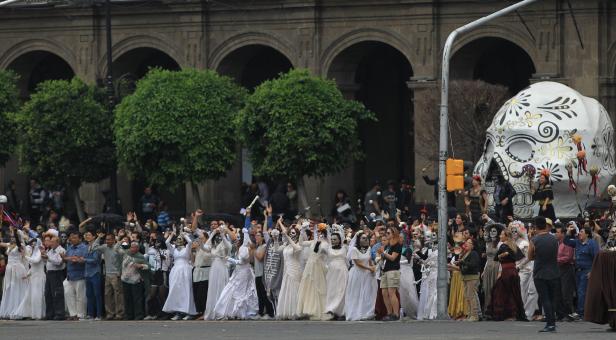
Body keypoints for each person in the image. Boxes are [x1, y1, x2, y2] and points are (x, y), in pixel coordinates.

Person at [213, 228, 259, 319]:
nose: (237, 240)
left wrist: (229, 259)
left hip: (243, 272)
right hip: (240, 271)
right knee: (236, 290)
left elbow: (242, 261)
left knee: (240, 291)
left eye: (238, 238)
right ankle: (235, 311)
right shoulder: (242, 247)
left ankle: (239, 312)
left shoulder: (244, 248)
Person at [528, 216, 560, 333]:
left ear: (536, 226)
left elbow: (530, 257)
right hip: (554, 272)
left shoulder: (534, 240)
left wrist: (537, 256)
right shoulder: (554, 239)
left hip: (540, 273)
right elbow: (556, 253)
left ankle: (550, 324)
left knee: (545, 298)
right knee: (552, 299)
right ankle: (553, 323)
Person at [487, 229, 526, 321]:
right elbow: (521, 257)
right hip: (513, 271)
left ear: (506, 236)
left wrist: (501, 256)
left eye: (501, 234)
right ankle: (513, 314)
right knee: (513, 292)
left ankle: (505, 314)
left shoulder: (504, 246)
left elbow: (497, 258)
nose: (500, 236)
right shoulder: (513, 245)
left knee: (499, 292)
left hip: (506, 271)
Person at [563, 224, 600, 318]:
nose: (579, 233)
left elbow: (596, 258)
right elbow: (566, 241)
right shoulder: (578, 242)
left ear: (587, 234)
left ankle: (581, 313)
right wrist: (568, 232)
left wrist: (592, 271)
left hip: (586, 271)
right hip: (578, 271)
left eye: (582, 232)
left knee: (581, 292)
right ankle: (582, 312)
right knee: (580, 292)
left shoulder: (592, 244)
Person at [296, 223, 328, 320]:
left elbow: (323, 252)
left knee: (318, 287)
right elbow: (301, 243)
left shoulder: (325, 244)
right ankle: (307, 309)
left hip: (318, 266)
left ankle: (317, 310)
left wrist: (320, 243)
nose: (318, 234)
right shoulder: (312, 241)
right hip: (310, 265)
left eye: (320, 232)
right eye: (318, 232)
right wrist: (301, 232)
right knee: (308, 286)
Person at [162, 230, 196, 320]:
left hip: (185, 270)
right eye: (177, 239)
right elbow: (166, 242)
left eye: (180, 239)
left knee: (186, 290)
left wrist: (185, 235)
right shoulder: (174, 250)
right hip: (175, 271)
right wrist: (172, 235)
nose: (178, 240)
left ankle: (188, 312)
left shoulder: (187, 248)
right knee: (175, 290)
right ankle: (178, 312)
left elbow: (190, 242)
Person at [344, 231, 377, 321]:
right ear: (359, 240)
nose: (366, 240)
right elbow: (358, 263)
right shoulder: (354, 250)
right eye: (363, 238)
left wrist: (372, 267)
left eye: (366, 238)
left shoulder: (369, 249)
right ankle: (355, 312)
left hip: (367, 274)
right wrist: (369, 268)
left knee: (367, 293)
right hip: (357, 274)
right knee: (356, 293)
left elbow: (369, 260)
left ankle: (366, 312)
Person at [203, 224, 232, 320]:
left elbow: (230, 247)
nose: (217, 238)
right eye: (217, 237)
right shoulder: (213, 245)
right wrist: (212, 234)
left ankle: (222, 311)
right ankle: (212, 311)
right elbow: (205, 247)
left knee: (221, 287)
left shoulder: (224, 243)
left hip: (221, 267)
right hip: (214, 268)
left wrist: (223, 235)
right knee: (213, 288)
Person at [511, 222, 538, 321]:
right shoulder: (514, 243)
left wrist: (519, 265)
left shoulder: (524, 243)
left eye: (515, 231)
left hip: (528, 269)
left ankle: (527, 313)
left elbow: (528, 257)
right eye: (512, 231)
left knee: (528, 291)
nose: (513, 233)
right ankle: (523, 313)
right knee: (522, 291)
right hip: (521, 270)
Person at [276, 223, 302, 320]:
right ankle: (286, 310)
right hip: (287, 269)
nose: (291, 234)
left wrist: (287, 237)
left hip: (295, 268)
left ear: (298, 234)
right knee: (286, 288)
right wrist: (275, 239)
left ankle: (295, 311)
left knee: (294, 288)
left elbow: (298, 249)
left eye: (293, 233)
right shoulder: (286, 245)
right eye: (290, 233)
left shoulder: (299, 244)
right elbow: (277, 250)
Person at [15, 238, 46, 320]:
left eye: (35, 243)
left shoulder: (40, 252)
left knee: (37, 295)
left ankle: (39, 314)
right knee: (31, 295)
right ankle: (32, 314)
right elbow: (33, 267)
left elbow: (36, 261)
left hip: (39, 277)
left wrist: (25, 256)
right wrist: (27, 274)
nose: (33, 244)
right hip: (33, 277)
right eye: (32, 243)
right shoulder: (34, 253)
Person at [0, 230, 27, 319]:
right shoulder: (9, 245)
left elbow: (25, 256)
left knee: (16, 287)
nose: (11, 238)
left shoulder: (21, 246)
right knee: (9, 287)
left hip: (17, 268)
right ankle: (9, 309)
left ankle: (18, 310)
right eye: (11, 237)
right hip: (9, 269)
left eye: (13, 237)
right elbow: (1, 243)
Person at [377, 226, 402, 321]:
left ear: (393, 234)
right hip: (385, 270)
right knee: (384, 293)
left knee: (392, 293)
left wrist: (383, 253)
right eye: (386, 233)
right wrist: (381, 255)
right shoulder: (388, 246)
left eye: (388, 233)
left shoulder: (397, 245)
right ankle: (389, 313)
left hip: (393, 270)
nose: (386, 235)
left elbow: (393, 258)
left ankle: (396, 314)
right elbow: (385, 258)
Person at [324, 225, 348, 320]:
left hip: (342, 271)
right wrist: (327, 229)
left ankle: (342, 312)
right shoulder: (328, 248)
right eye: (332, 239)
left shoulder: (344, 248)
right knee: (332, 291)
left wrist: (339, 228)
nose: (333, 241)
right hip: (331, 272)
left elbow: (343, 235)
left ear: (339, 240)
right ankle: (332, 310)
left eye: (335, 239)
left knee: (341, 291)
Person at [120, 241, 149, 320]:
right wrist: (120, 240)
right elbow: (116, 248)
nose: (132, 249)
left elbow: (148, 266)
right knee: (127, 298)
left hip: (136, 281)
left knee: (137, 299)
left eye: (133, 247)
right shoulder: (126, 254)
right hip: (125, 280)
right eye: (131, 247)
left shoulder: (140, 256)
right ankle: (129, 315)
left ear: (137, 248)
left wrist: (141, 265)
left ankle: (138, 315)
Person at [63, 231, 87, 320]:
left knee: (80, 296)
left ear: (80, 239)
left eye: (74, 238)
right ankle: (73, 314)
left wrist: (69, 258)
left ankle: (80, 315)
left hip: (80, 274)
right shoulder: (69, 248)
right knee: (68, 294)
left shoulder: (84, 248)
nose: (72, 239)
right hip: (70, 275)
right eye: (71, 238)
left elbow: (80, 259)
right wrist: (65, 258)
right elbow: (66, 258)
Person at [42, 234, 66, 320]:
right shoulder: (50, 251)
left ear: (57, 242)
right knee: (48, 294)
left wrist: (48, 258)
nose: (51, 243)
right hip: (49, 274)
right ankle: (50, 314)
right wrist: (44, 258)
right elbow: (47, 263)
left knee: (57, 294)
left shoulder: (61, 250)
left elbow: (59, 262)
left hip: (56, 274)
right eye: (50, 242)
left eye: (52, 242)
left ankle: (59, 314)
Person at [100, 233, 124, 320]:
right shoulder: (104, 247)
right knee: (107, 295)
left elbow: (122, 260)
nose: (108, 241)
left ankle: (119, 313)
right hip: (107, 274)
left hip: (116, 274)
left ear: (114, 240)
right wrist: (99, 238)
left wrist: (120, 272)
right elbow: (93, 248)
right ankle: (110, 313)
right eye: (106, 239)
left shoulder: (118, 248)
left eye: (109, 239)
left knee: (118, 295)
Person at [555, 224, 575, 321]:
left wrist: (556, 260)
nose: (556, 234)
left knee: (566, 292)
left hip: (566, 268)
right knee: (558, 292)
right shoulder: (557, 243)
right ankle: (560, 314)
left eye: (558, 232)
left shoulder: (567, 243)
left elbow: (568, 257)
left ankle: (569, 314)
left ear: (563, 233)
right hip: (558, 269)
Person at [254, 230, 274, 318]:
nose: (256, 237)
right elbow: (252, 260)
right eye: (256, 236)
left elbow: (260, 257)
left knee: (265, 294)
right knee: (259, 294)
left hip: (263, 274)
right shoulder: (257, 247)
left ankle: (270, 313)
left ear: (262, 237)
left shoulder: (265, 246)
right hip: (257, 274)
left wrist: (253, 249)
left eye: (258, 236)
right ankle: (261, 312)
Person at [84, 231, 104, 320]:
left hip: (95, 273)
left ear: (93, 237)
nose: (87, 236)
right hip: (87, 273)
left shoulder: (97, 247)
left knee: (97, 294)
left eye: (89, 235)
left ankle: (99, 314)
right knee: (89, 294)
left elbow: (96, 260)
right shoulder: (87, 247)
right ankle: (90, 313)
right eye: (86, 235)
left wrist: (84, 260)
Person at [459, 238, 481, 321]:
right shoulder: (465, 253)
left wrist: (463, 262)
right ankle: (469, 314)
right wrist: (460, 262)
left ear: (473, 245)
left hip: (472, 277)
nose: (467, 244)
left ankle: (475, 315)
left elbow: (473, 264)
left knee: (471, 296)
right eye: (466, 242)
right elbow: (463, 265)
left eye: (469, 242)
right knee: (467, 296)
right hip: (465, 277)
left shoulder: (474, 253)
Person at [192, 231, 211, 319]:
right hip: (197, 271)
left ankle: (204, 312)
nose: (199, 240)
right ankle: (199, 311)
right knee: (196, 293)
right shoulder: (198, 248)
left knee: (203, 293)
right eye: (199, 238)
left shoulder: (208, 246)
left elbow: (207, 257)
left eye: (201, 238)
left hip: (205, 272)